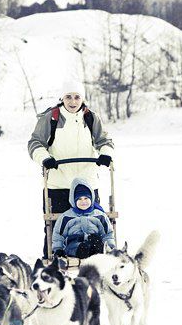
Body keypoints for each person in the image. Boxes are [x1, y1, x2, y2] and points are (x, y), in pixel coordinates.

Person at [28, 76, 114, 255]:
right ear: (62, 98)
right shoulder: (51, 118)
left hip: (87, 185)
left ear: (82, 98)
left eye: (77, 97)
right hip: (58, 185)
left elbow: (104, 140)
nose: (73, 101)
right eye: (68, 97)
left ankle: (93, 268)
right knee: (56, 230)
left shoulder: (91, 118)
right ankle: (53, 267)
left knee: (93, 228)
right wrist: (45, 158)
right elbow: (35, 143)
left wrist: (105, 154)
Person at [52, 177, 116, 259]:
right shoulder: (66, 217)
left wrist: (110, 247)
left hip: (94, 243)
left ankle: (97, 255)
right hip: (74, 245)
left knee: (96, 243)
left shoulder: (100, 216)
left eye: (86, 198)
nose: (83, 201)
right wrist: (58, 249)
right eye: (79, 199)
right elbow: (58, 235)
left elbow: (107, 233)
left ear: (91, 198)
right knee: (83, 248)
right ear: (74, 201)